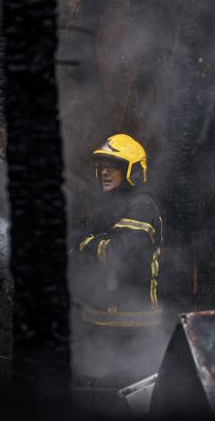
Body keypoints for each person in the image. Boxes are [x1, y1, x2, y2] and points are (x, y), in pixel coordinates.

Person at [70, 133, 165, 381]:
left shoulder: (141, 206)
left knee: (125, 390)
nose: (104, 172)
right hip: (102, 319)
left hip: (133, 323)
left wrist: (84, 243)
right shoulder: (109, 205)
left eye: (113, 166)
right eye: (102, 166)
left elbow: (121, 253)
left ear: (133, 171)